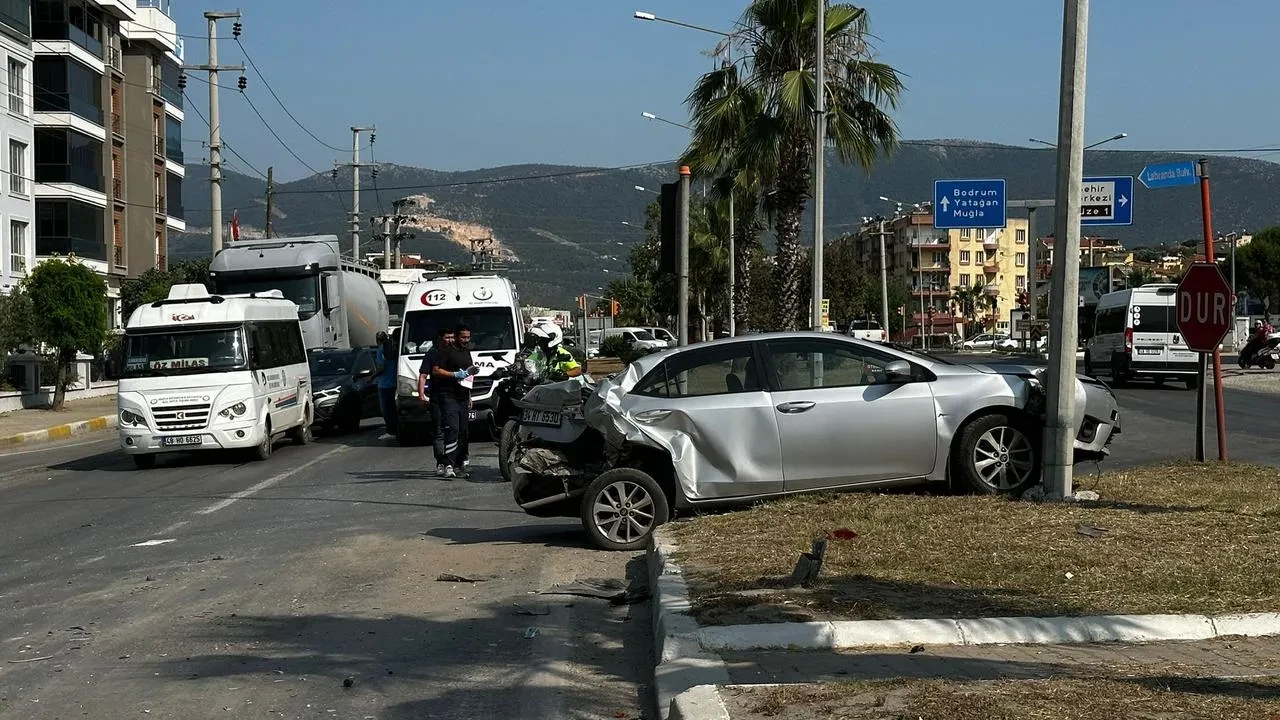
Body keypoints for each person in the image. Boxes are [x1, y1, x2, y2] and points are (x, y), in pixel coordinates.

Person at [422, 325, 476, 479]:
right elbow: (436, 370)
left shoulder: (466, 352)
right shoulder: (446, 352)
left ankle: (459, 464)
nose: (466, 340)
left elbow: (468, 373)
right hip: (448, 396)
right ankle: (448, 464)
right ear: (457, 337)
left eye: (468, 337)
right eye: (463, 337)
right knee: (452, 429)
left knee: (463, 431)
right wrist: (454, 374)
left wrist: (469, 395)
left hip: (463, 396)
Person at [418, 327, 451, 476]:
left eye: (452, 337)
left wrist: (468, 396)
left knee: (453, 431)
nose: (450, 340)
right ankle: (441, 462)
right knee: (439, 431)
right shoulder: (432, 354)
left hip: (454, 397)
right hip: (437, 398)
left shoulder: (455, 353)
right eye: (447, 337)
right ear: (440, 338)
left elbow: (466, 377)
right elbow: (423, 376)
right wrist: (421, 395)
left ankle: (453, 462)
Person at [375, 330, 399, 439]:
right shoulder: (394, 349)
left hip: (384, 384)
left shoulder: (381, 350)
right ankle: (396, 429)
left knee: (386, 409)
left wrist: (372, 377)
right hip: (395, 382)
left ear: (377, 340)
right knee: (393, 408)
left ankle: (391, 431)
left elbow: (381, 368)